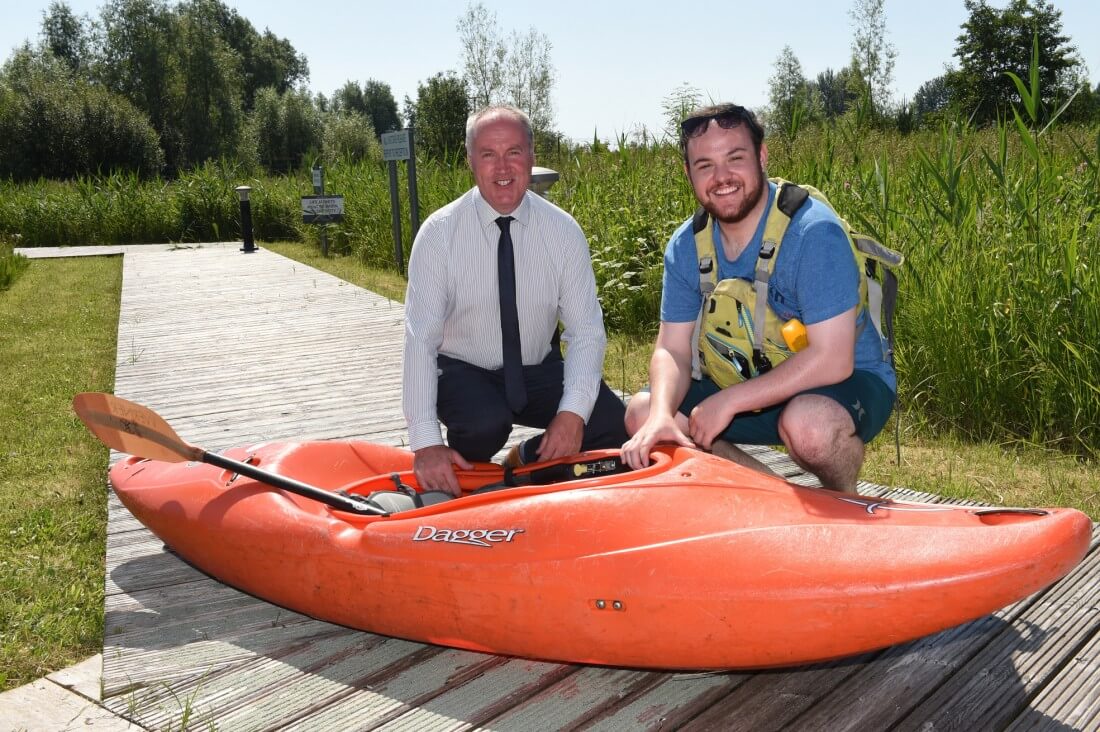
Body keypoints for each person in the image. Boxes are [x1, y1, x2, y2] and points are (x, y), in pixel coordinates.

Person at [620, 103, 896, 492]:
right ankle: (776, 496)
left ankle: (843, 503)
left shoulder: (813, 233)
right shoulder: (686, 245)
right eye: (705, 165)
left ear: (762, 156)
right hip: (747, 381)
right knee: (643, 413)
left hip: (846, 380)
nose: (722, 177)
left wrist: (730, 402)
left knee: (809, 427)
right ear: (689, 174)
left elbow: (833, 360)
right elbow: (673, 349)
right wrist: (663, 413)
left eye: (735, 158)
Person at [402, 105, 627, 495]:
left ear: (532, 157)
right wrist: (425, 443)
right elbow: (420, 340)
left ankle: (529, 457)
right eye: (488, 154)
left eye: (514, 152)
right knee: (484, 424)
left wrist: (572, 414)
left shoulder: (562, 231)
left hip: (537, 366)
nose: (502, 168)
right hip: (465, 369)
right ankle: (474, 481)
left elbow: (585, 332)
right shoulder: (438, 234)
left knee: (614, 424)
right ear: (471, 161)